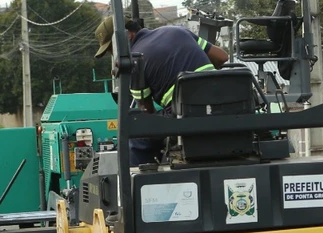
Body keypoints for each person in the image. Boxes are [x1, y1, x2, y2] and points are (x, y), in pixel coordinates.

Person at [94, 16, 229, 166]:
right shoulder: (179, 31)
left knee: (138, 136)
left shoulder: (135, 62)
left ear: (128, 35)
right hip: (227, 101)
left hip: (184, 114)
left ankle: (135, 183)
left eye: (112, 49)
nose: (113, 55)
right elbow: (222, 57)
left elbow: (146, 113)